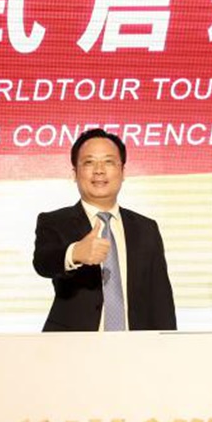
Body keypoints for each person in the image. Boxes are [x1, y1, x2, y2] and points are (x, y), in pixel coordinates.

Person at [32, 128, 176, 332]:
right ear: (75, 173)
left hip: (135, 344)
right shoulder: (55, 221)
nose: (99, 170)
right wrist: (74, 253)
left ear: (123, 171)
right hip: (72, 343)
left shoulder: (146, 228)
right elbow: (43, 263)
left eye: (108, 162)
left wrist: (168, 342)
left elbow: (160, 297)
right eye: (89, 162)